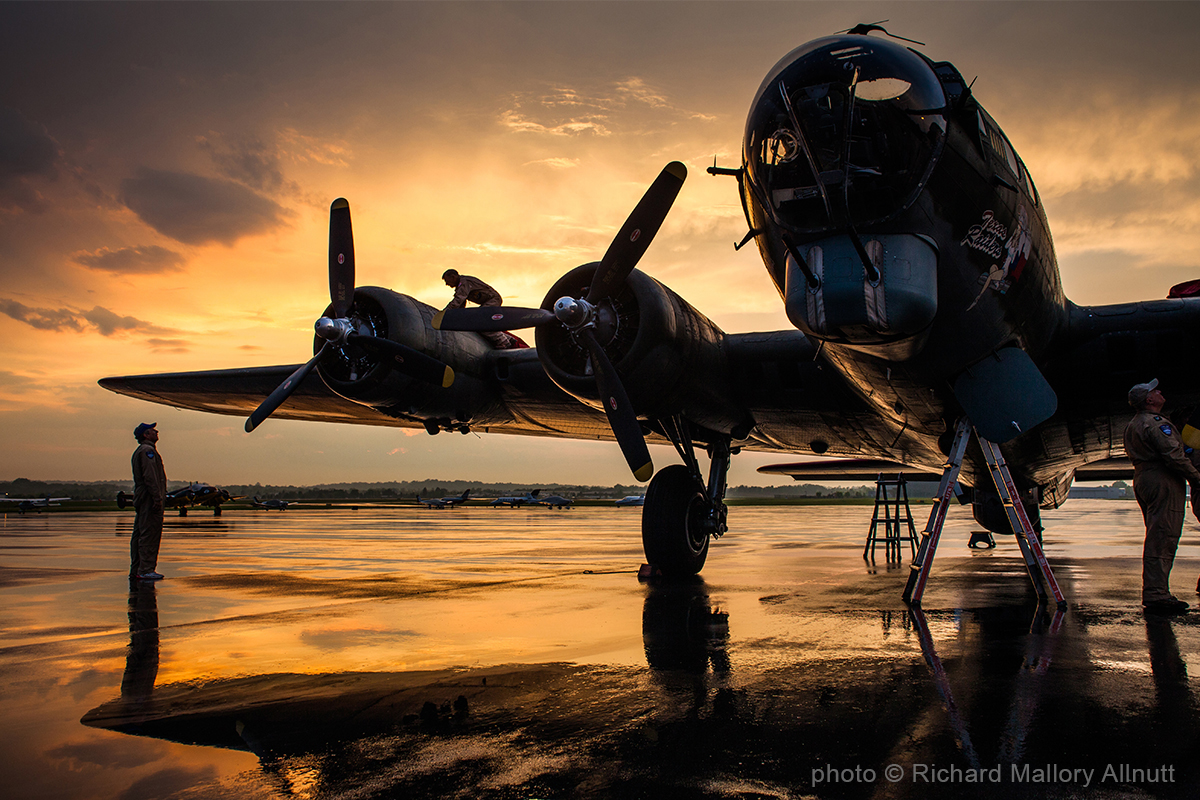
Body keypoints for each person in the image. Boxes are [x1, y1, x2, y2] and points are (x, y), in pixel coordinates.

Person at [1124, 380, 1200, 613]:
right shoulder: (1157, 423)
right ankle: (1157, 594)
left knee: (1157, 535)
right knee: (1163, 538)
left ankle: (1156, 591)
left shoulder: (1135, 423)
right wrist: (1196, 477)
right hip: (1163, 480)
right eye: (1154, 390)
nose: (1159, 391)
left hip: (1144, 478)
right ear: (1149, 400)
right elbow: (1174, 456)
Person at [441, 269, 516, 349]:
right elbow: (461, 304)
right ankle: (508, 338)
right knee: (478, 321)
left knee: (480, 322)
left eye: (446, 281)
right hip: (488, 301)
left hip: (493, 300)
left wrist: (445, 312)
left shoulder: (464, 283)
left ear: (453, 277)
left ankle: (504, 342)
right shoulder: (462, 285)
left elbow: (458, 300)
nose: (446, 284)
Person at [130, 422, 167, 581]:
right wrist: (157, 497)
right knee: (149, 533)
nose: (156, 432)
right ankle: (145, 570)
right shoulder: (147, 451)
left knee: (140, 533)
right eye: (152, 430)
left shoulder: (143, 450)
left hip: (144, 496)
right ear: (146, 435)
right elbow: (150, 477)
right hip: (148, 497)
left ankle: (137, 569)